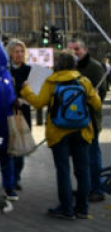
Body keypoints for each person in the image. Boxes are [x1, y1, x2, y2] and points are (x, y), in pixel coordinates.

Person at [21, 50, 102, 219]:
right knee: (83, 171)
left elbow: (38, 103)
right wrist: (93, 94)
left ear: (57, 65)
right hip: (81, 131)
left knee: (63, 171)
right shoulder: (84, 81)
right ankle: (82, 209)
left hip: (58, 132)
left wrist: (26, 90)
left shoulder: (52, 82)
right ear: (74, 65)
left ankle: (66, 209)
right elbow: (97, 105)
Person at [66, 39, 107, 203]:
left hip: (90, 120)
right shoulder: (72, 67)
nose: (75, 52)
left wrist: (89, 99)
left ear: (85, 49)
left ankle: (97, 189)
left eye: (77, 49)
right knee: (80, 157)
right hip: (74, 119)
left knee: (92, 156)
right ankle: (86, 187)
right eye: (72, 50)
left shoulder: (94, 67)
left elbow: (101, 93)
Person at [6, 39, 32, 191]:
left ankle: (15, 178)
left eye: (22, 51)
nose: (20, 54)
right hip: (8, 112)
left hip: (23, 113)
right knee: (9, 149)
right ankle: (9, 178)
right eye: (16, 52)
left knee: (20, 149)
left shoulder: (29, 70)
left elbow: (36, 94)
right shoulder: (5, 70)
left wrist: (25, 96)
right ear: (10, 53)